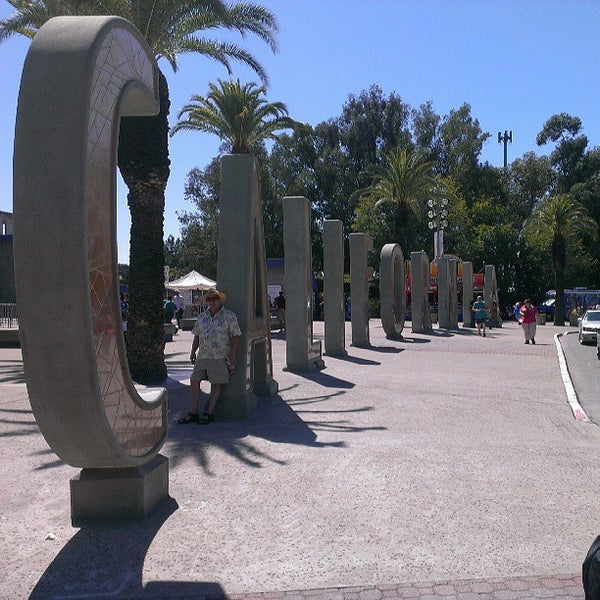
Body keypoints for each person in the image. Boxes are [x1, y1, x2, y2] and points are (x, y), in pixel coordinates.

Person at [178, 289, 241, 425]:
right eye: (210, 299)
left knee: (216, 383)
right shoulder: (202, 317)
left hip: (219, 356)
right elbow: (197, 335)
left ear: (219, 300)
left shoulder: (229, 316)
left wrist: (232, 355)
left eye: (215, 299)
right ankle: (193, 412)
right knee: (194, 380)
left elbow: (235, 336)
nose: (212, 302)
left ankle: (209, 412)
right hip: (203, 355)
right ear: (207, 302)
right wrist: (192, 351)